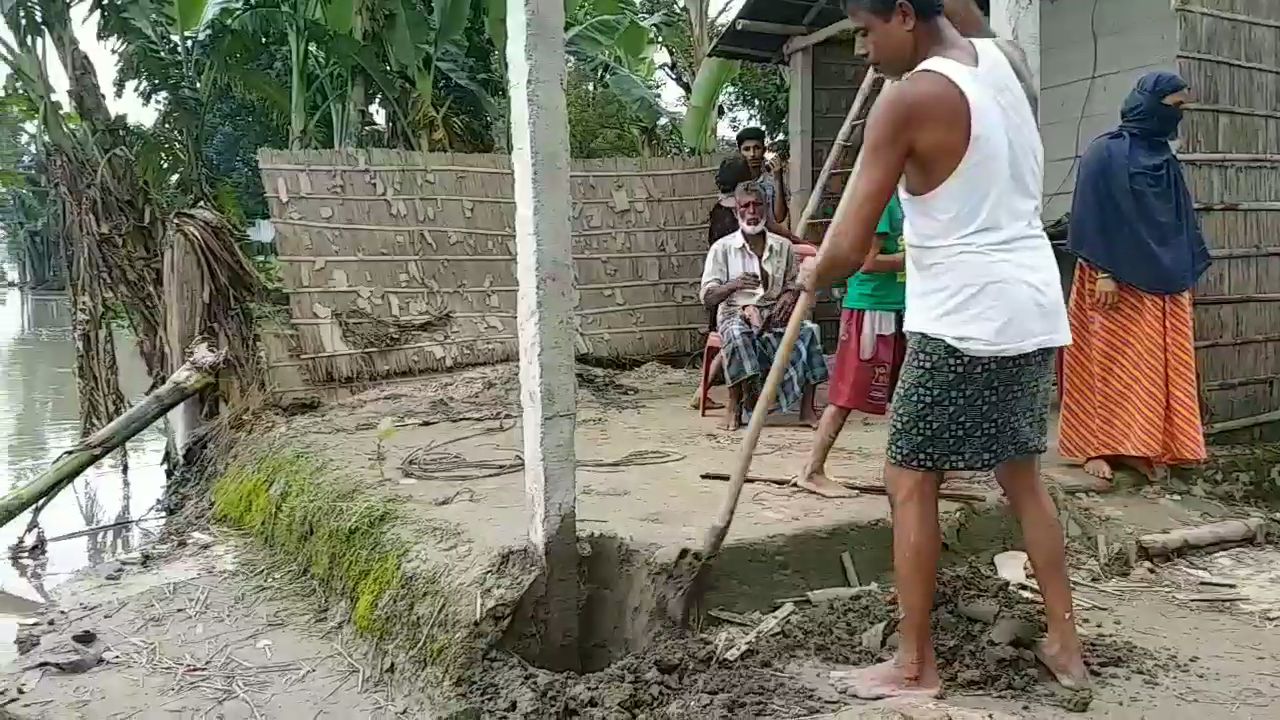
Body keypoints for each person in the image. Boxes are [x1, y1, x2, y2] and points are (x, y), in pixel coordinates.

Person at [802, 0, 1087, 699]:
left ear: (904, 15)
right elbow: (966, 13)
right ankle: (1065, 643)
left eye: (867, 31)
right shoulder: (1005, 61)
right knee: (1022, 477)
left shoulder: (908, 99)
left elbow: (846, 244)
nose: (863, 52)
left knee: (910, 478)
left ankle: (913, 664)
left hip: (962, 318)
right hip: (1030, 308)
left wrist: (814, 272)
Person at [1058, 72, 1209, 486]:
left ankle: (1140, 445)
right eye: (1174, 107)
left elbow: (1179, 220)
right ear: (1148, 104)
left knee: (1151, 366)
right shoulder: (1105, 154)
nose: (1177, 117)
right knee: (1105, 361)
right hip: (1112, 276)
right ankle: (1096, 446)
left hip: (1163, 278)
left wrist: (1182, 268)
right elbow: (1091, 211)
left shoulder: (1164, 158)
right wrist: (1105, 272)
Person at [797, 195, 907, 498]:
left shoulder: (907, 200)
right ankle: (812, 470)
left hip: (897, 307)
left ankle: (912, 471)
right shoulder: (884, 202)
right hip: (872, 308)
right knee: (846, 395)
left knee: (907, 391)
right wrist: (917, 258)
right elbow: (868, 262)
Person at [701, 180, 828, 432]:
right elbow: (707, 296)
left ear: (766, 208)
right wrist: (733, 285)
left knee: (809, 331)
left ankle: (806, 410)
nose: (751, 211)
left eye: (757, 205)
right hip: (734, 311)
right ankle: (736, 405)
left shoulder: (782, 247)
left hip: (772, 312)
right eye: (745, 206)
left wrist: (789, 296)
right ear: (736, 211)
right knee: (738, 334)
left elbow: (795, 283)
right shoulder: (722, 249)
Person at [737, 127, 789, 227]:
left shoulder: (771, 180)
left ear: (764, 150)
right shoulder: (734, 179)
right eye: (747, 149)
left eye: (757, 148)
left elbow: (779, 217)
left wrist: (778, 178)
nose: (752, 154)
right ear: (739, 152)